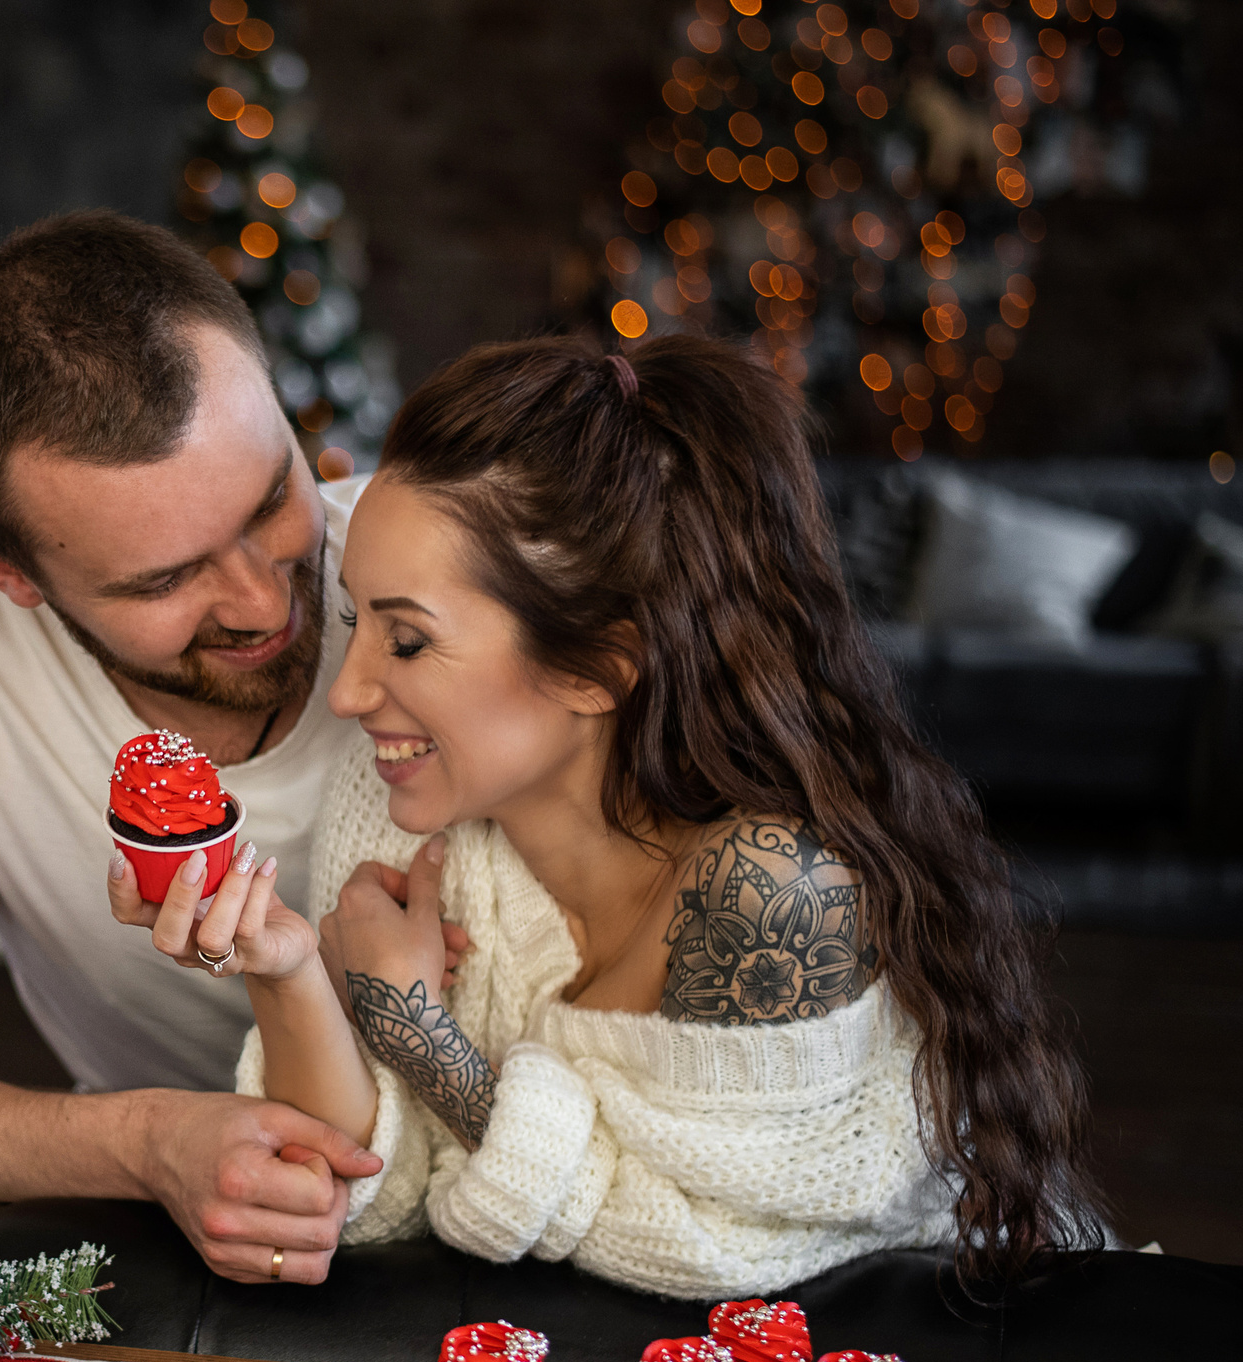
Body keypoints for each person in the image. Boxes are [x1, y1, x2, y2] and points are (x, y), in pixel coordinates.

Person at [114, 334, 1102, 1297]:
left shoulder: (771, 891)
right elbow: (355, 1199)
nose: (350, 691)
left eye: (407, 640)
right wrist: (285, 969)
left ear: (598, 664)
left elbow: (712, 1255)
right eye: (354, 619)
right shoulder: (397, 807)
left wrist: (415, 1030)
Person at [0, 211, 466, 1286]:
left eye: (271, 495)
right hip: (199, 1247)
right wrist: (147, 1144)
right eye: (162, 581)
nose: (258, 597)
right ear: (8, 577)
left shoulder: (448, 555)